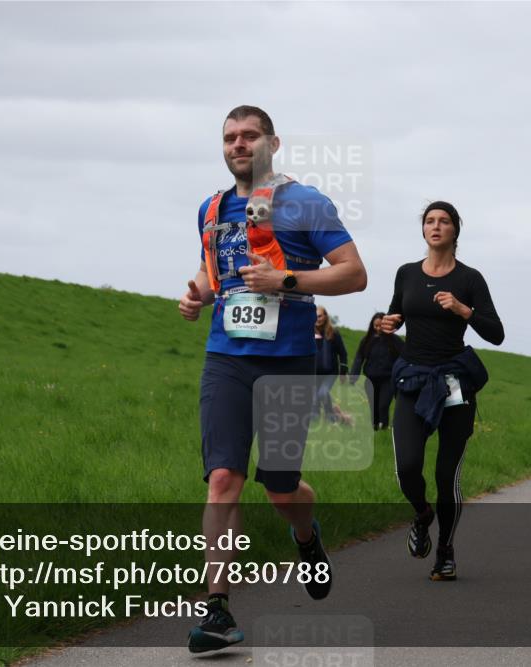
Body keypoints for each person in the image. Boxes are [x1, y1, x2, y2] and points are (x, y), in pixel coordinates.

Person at [178, 105, 367, 653]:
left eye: (250, 136)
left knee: (281, 490)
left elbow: (354, 273)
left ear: (273, 143)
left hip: (288, 362)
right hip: (226, 360)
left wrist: (286, 278)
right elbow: (213, 271)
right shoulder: (211, 208)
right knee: (222, 479)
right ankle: (217, 609)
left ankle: (306, 539)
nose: (239, 144)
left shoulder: (305, 202)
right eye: (230, 137)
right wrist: (196, 295)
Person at [379, 201, 504, 581]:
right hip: (414, 380)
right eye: (429, 221)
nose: (435, 226)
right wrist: (389, 322)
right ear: (423, 230)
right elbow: (396, 313)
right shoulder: (406, 274)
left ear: (455, 231)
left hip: (454, 383)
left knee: (446, 475)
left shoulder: (470, 279)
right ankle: (421, 514)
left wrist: (463, 309)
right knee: (407, 468)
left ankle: (446, 549)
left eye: (443, 221)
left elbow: (496, 334)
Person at [350, 312, 404, 430]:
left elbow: (404, 357)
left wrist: (403, 374)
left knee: (383, 405)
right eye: (376, 326)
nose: (378, 328)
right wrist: (353, 377)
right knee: (373, 406)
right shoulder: (366, 341)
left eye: (381, 326)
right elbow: (359, 358)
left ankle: (384, 426)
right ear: (372, 326)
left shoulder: (395, 341)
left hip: (388, 379)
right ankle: (374, 427)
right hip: (370, 379)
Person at [314, 306, 349, 423]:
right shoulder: (308, 333)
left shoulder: (333, 333)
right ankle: (317, 417)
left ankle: (331, 415)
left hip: (330, 372)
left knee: (323, 392)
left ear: (325, 317)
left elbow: (343, 353)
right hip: (313, 372)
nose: (317, 319)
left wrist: (343, 372)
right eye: (315, 316)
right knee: (314, 397)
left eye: (319, 316)